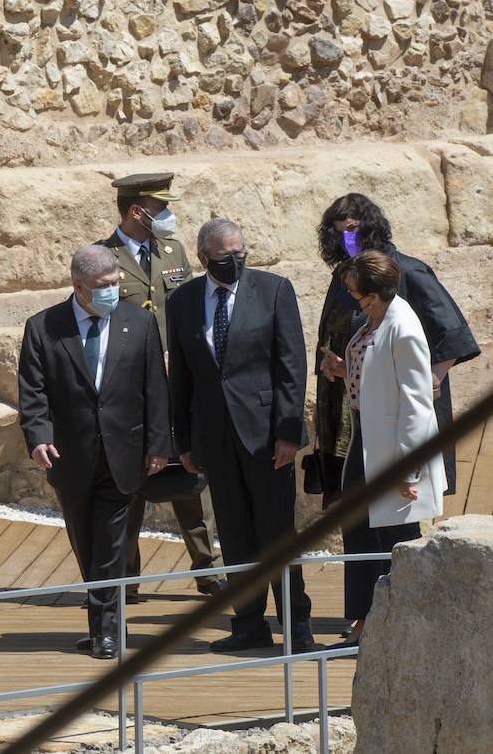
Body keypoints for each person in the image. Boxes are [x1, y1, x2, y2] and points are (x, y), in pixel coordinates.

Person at [166, 218, 314, 652]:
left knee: (277, 533)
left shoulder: (273, 290)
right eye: (226, 256)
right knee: (233, 536)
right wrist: (185, 441)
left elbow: (292, 367)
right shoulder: (183, 300)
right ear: (203, 258)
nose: (237, 261)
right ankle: (249, 624)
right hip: (215, 439)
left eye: (241, 252)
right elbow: (183, 379)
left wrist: (289, 433)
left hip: (268, 438)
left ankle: (296, 624)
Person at [18, 245, 172, 659]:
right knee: (85, 542)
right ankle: (101, 620)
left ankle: (107, 629)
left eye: (115, 283)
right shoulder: (43, 327)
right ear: (79, 287)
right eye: (103, 286)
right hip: (70, 456)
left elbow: (155, 387)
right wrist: (38, 436)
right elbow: (33, 391)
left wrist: (159, 445)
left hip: (124, 453)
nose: (112, 291)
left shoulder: (139, 322)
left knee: (110, 544)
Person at [96, 172, 223, 600]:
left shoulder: (172, 250)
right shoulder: (102, 257)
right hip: (129, 389)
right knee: (129, 479)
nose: (167, 216)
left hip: (175, 383)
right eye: (159, 208)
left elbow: (185, 311)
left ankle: (209, 569)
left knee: (189, 471)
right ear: (137, 212)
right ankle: (125, 576)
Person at [313, 193, 480, 505]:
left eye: (351, 230)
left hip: (397, 408)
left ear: (369, 227)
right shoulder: (344, 276)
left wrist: (434, 376)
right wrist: (334, 367)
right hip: (350, 405)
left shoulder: (408, 271)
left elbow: (453, 334)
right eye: (338, 232)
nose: (345, 239)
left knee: (397, 511)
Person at [323, 251, 445, 647]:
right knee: (358, 530)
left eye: (362, 296)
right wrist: (343, 369)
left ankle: (404, 629)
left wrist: (408, 469)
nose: (358, 303)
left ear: (381, 291)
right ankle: (364, 622)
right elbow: (374, 371)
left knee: (395, 539)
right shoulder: (375, 318)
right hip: (365, 441)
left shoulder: (403, 325)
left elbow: (416, 402)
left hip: (393, 451)